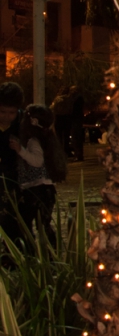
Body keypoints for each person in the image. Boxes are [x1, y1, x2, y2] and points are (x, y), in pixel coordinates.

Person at [10, 104, 67, 236]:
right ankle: (50, 247)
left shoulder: (33, 141)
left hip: (36, 190)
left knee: (27, 224)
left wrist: (20, 150)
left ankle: (34, 246)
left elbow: (37, 161)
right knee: (43, 225)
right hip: (47, 190)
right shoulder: (47, 139)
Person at [0, 80, 24, 242]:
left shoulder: (22, 124)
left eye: (11, 113)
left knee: (14, 218)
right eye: (2, 112)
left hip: (15, 176)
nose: (6, 116)